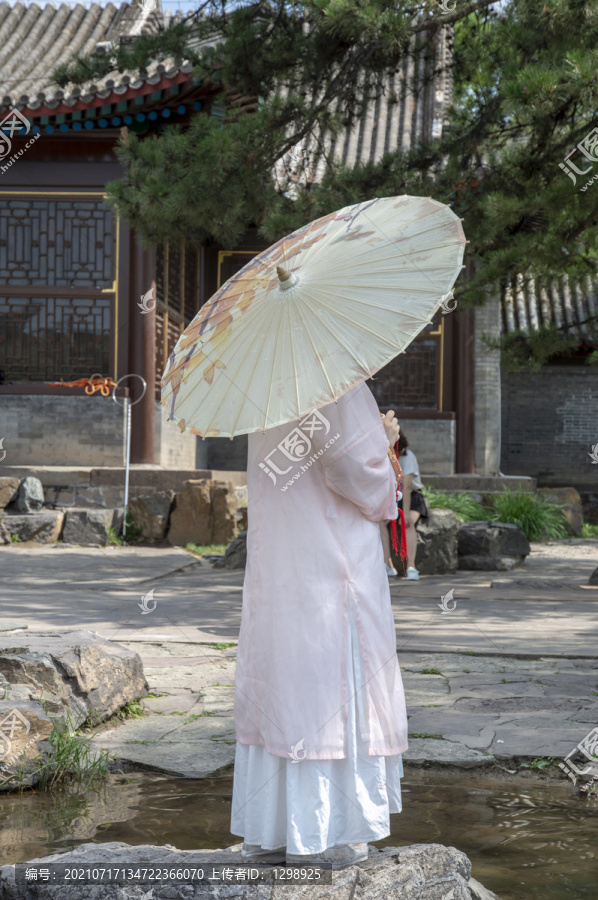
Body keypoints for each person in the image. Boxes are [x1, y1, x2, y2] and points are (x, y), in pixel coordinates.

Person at [231, 382, 408, 869]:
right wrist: (386, 440)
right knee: (335, 687)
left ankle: (276, 827)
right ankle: (330, 831)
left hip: (284, 562)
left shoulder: (268, 387)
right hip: (334, 564)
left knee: (287, 681)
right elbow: (355, 472)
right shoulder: (334, 380)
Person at [396, 431, 427, 580]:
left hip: (413, 498)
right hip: (395, 497)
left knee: (406, 523)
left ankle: (411, 566)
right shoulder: (385, 457)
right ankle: (387, 564)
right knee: (381, 522)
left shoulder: (408, 457)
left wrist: (406, 513)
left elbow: (407, 487)